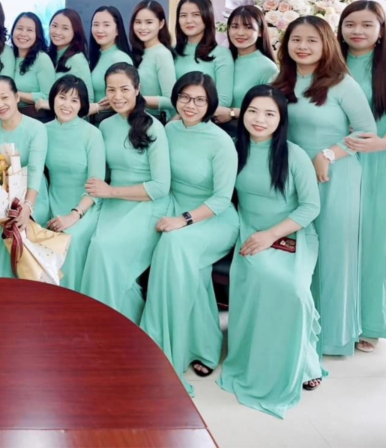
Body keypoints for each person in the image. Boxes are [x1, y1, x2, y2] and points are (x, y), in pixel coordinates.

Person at [273, 16, 376, 358]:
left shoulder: (342, 83)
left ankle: (332, 335)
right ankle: (296, 330)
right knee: (295, 253)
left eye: (311, 40)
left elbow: (367, 132)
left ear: (326, 44)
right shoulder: (279, 81)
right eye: (296, 39)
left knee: (332, 254)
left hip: (334, 176)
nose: (302, 46)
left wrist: (329, 154)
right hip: (291, 177)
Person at [217, 86, 323, 417]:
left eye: (269, 113)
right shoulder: (233, 149)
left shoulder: (294, 155)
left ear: (281, 119)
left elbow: (311, 207)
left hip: (292, 234)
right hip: (249, 232)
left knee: (293, 289)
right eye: (252, 111)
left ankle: (306, 362)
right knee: (263, 274)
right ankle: (260, 356)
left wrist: (271, 235)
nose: (259, 119)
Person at [141, 72, 239, 393]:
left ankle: (165, 347)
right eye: (184, 97)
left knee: (174, 245)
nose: (190, 105)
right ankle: (203, 347)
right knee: (191, 269)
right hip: (175, 208)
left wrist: (183, 220)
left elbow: (222, 199)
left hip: (213, 218)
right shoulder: (169, 130)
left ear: (211, 103)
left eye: (199, 99)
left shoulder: (221, 142)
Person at [337, 1, 386, 352]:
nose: (358, 31)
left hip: (381, 164)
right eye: (350, 24)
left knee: (375, 243)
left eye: (367, 25)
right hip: (338, 161)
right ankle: (336, 316)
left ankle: (371, 322)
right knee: (340, 239)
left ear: (382, 31)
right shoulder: (329, 67)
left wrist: (380, 143)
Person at [79, 63, 171, 322]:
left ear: (137, 89)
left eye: (124, 89)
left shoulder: (153, 127)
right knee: (87, 244)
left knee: (103, 248)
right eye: (111, 90)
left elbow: (160, 186)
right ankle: (111, 320)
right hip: (111, 203)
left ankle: (111, 323)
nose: (117, 96)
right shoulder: (105, 126)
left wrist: (111, 192)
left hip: (147, 204)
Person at [0, 76, 49, 277]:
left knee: (16, 230)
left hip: (33, 197)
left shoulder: (36, 128)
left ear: (17, 97)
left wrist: (27, 207)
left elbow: (35, 170)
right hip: (1, 202)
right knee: (4, 231)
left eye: (4, 97)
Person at [43, 76, 105, 291]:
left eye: (74, 100)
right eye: (62, 97)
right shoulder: (43, 130)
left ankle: (71, 300)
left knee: (71, 239)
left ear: (82, 105)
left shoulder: (92, 134)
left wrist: (74, 214)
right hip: (51, 202)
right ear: (53, 98)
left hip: (85, 206)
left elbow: (96, 187)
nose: (67, 105)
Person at [214, 5, 277, 130]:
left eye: (248, 27)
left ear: (260, 32)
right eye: (235, 26)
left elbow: (272, 110)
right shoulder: (223, 60)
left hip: (246, 133)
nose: (240, 33)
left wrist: (232, 113)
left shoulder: (268, 68)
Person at [172, 0, 235, 109]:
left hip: (201, 118)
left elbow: (223, 101)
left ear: (207, 17)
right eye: (183, 15)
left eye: (196, 15)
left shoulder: (222, 54)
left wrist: (186, 114)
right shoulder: (171, 52)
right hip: (169, 118)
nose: (188, 20)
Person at [130, 0, 177, 122]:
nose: (142, 27)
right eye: (138, 22)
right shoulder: (136, 52)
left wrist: (134, 99)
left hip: (153, 122)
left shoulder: (162, 54)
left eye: (149, 22)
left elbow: (171, 100)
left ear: (161, 24)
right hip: (134, 120)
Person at [87, 5, 132, 117]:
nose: (99, 30)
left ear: (117, 30)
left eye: (106, 25)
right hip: (95, 118)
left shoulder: (120, 58)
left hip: (112, 118)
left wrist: (98, 107)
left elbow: (125, 96)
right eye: (95, 25)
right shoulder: (96, 56)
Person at [10, 12, 55, 112]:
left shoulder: (42, 59)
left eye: (29, 30)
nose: (23, 34)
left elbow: (48, 96)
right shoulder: (9, 55)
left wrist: (16, 94)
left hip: (33, 115)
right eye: (19, 28)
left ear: (37, 35)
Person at [49, 9, 95, 103]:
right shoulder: (49, 54)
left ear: (75, 32)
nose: (57, 32)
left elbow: (89, 99)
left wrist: (48, 105)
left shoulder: (77, 59)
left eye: (65, 28)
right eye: (54, 26)